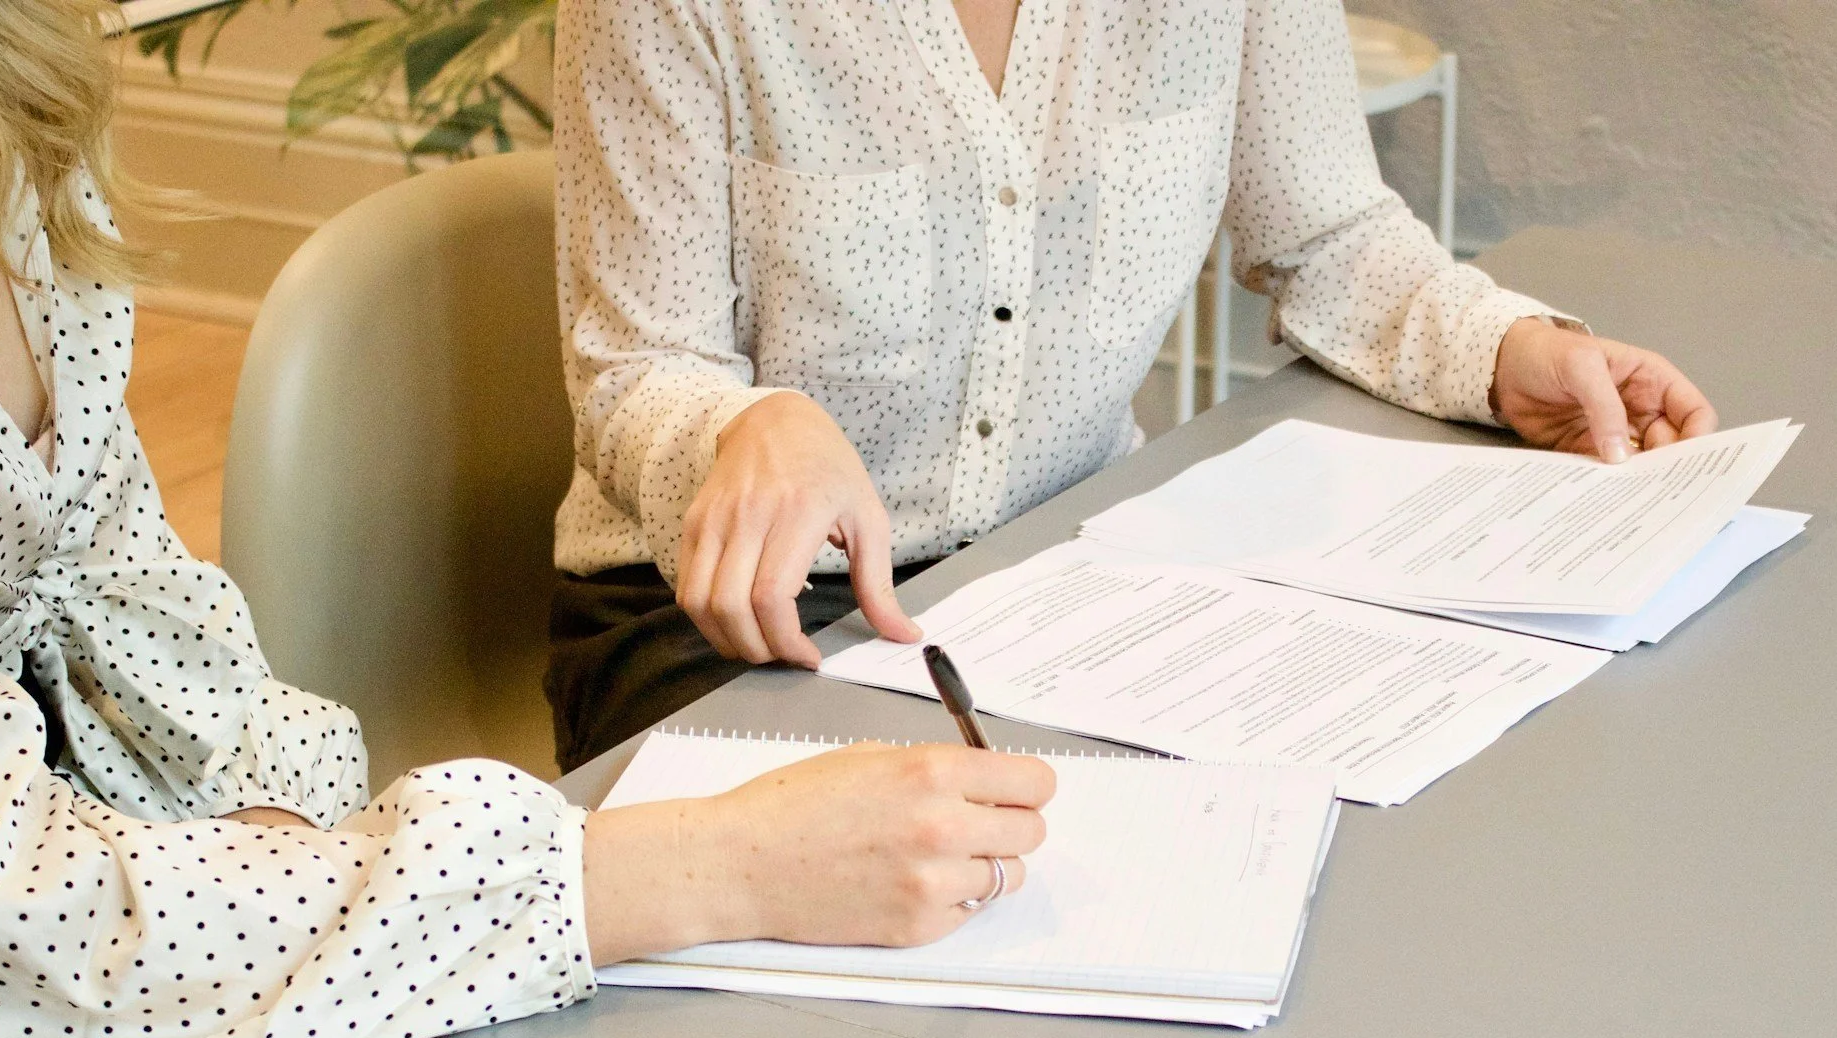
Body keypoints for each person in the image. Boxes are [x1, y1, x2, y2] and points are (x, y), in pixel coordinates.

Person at [0, 0, 1054, 1038]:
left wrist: (284, 837)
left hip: (44, 865)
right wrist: (711, 869)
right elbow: (0, 899)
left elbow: (126, 597)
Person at [546, 0, 1720, 771]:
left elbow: (1325, 231)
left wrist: (1507, 350)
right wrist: (746, 426)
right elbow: (634, 368)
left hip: (1060, 579)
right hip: (729, 618)